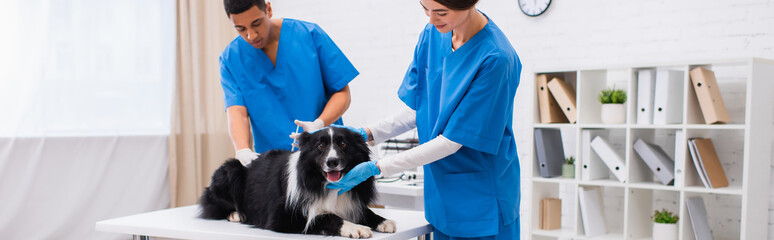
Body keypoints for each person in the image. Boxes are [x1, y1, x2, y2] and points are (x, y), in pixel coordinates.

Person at [326, 0, 521, 239]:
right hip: (442, 196)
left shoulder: (496, 58)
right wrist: (366, 134)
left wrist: (378, 167)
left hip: (482, 199)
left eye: (441, 12)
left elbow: (452, 140)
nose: (431, 20)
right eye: (425, 9)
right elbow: (422, 108)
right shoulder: (433, 34)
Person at [219, 0, 358, 166]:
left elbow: (342, 93)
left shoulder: (309, 35)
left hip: (325, 157)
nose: (251, 35)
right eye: (240, 29)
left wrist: (319, 123)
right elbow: (237, 112)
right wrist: (242, 149)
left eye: (256, 23)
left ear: (268, 9)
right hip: (273, 165)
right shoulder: (231, 58)